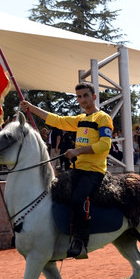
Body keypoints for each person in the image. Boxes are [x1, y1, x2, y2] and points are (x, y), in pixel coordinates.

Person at [20, 82, 113, 259]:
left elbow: (104, 145)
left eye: (86, 95)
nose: (83, 100)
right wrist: (31, 108)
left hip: (94, 171)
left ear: (94, 97)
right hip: (76, 169)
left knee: (79, 199)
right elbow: (57, 120)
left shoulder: (103, 118)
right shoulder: (79, 119)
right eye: (79, 97)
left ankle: (80, 241)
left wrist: (77, 151)